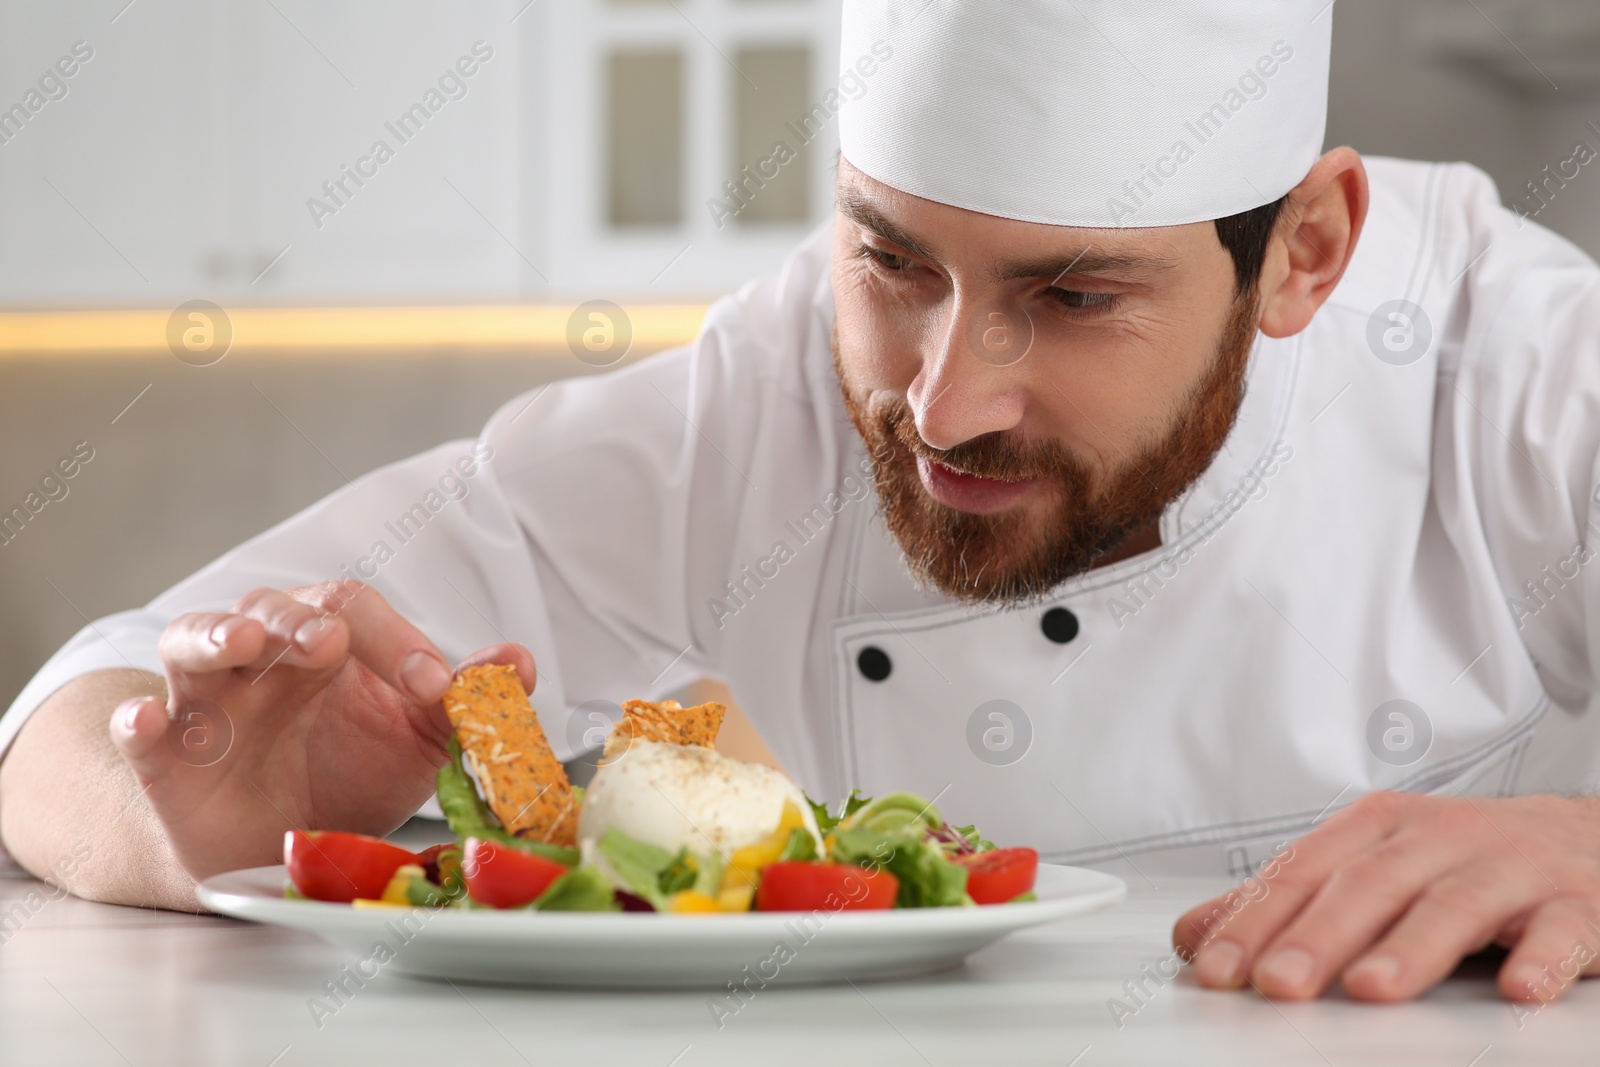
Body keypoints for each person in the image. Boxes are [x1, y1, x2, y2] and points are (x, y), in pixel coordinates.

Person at [4, 0, 1600, 1007]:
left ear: (1307, 252)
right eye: (891, 262)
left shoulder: (1510, 363)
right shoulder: (743, 416)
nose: (943, 402)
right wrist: (185, 817)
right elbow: (66, 716)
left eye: (1076, 294)